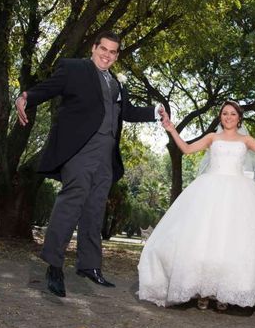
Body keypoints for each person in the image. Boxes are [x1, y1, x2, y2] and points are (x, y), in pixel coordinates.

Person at [15, 31, 164, 297]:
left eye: (112, 52)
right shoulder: (74, 68)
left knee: (95, 209)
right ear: (94, 48)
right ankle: (54, 265)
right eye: (103, 49)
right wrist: (26, 96)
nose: (107, 55)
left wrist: (155, 112)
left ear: (117, 56)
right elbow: (50, 87)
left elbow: (126, 112)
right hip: (80, 149)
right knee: (72, 201)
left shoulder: (117, 83)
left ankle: (89, 266)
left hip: (106, 155)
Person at [138, 100, 255, 315]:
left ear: (239, 118)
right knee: (204, 242)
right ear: (221, 117)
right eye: (224, 113)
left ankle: (224, 294)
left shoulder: (245, 140)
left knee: (231, 245)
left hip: (239, 195)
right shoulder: (212, 138)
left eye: (233, 114)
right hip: (209, 191)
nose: (228, 117)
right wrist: (172, 129)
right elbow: (188, 149)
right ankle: (203, 293)